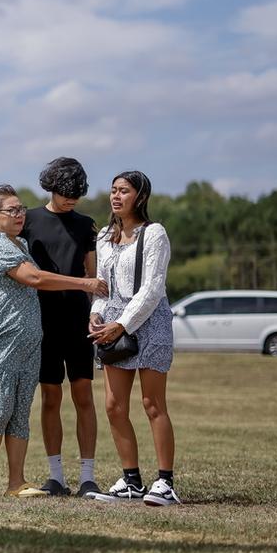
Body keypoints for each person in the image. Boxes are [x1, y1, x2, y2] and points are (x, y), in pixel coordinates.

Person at [0, 185, 107, 498]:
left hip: (27, 340)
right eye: (11, 210)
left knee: (19, 410)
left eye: (21, 209)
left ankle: (16, 482)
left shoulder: (19, 242)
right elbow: (34, 278)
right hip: (2, 337)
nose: (20, 215)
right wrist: (85, 282)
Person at [86, 170, 179, 506]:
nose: (115, 196)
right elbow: (102, 285)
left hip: (149, 323)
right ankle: (131, 481)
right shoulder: (104, 237)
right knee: (113, 406)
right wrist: (97, 312)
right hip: (113, 324)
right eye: (112, 190)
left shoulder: (154, 234)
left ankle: (165, 483)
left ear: (139, 197)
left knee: (153, 404)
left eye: (123, 190)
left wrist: (122, 324)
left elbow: (153, 288)